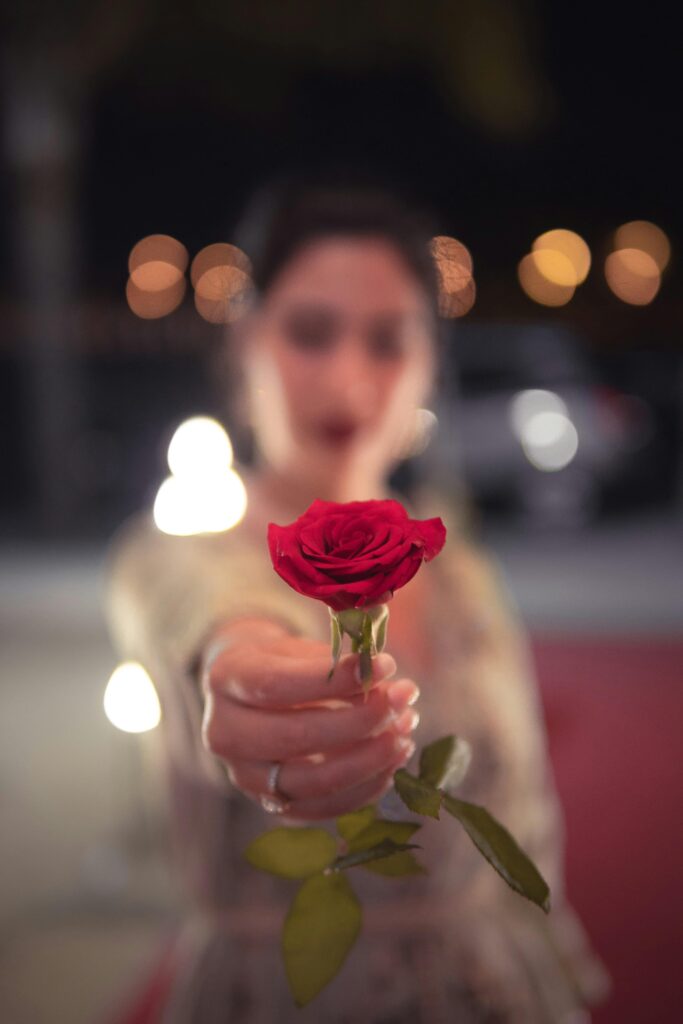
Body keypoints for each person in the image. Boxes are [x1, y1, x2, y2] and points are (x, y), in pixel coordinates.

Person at [104, 173, 609, 1023]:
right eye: (310, 332)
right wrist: (241, 679)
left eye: (386, 340)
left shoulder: (460, 570)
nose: (347, 376)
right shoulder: (179, 550)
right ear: (243, 346)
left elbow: (530, 826)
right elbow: (206, 620)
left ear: (427, 367)